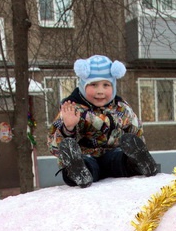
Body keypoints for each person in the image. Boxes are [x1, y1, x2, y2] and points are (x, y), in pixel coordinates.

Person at [48, 54, 159, 187]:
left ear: (113, 86)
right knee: (88, 164)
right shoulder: (72, 109)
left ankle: (138, 163)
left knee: (121, 160)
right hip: (87, 156)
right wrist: (68, 128)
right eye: (93, 85)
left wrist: (137, 146)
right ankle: (76, 170)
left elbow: (136, 130)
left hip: (112, 155)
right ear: (83, 85)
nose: (100, 91)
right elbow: (54, 145)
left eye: (106, 85)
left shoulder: (121, 108)